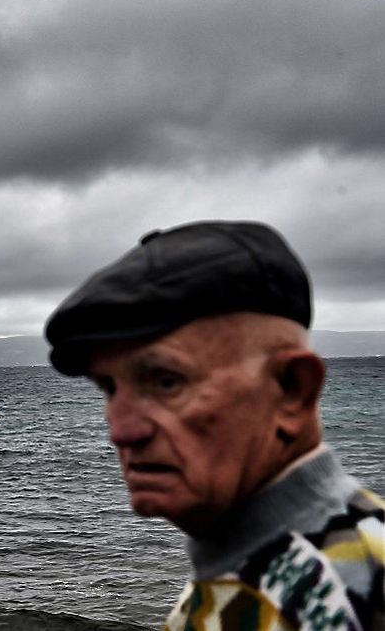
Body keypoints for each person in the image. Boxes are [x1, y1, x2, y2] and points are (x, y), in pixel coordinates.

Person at [44, 220, 384, 631]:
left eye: (167, 381)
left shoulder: (320, 599)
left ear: (293, 390)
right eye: (109, 388)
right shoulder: (271, 570)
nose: (121, 431)